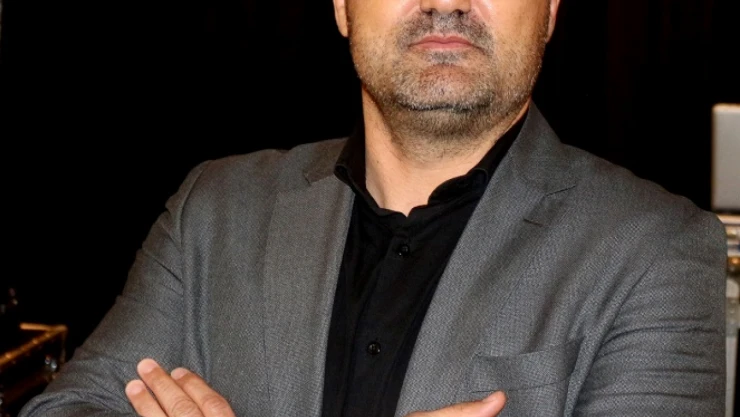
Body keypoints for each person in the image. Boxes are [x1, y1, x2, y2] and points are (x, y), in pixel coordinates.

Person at [19, 0, 728, 415]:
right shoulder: (212, 210)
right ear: (341, 6)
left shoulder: (656, 250)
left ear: (549, 11)